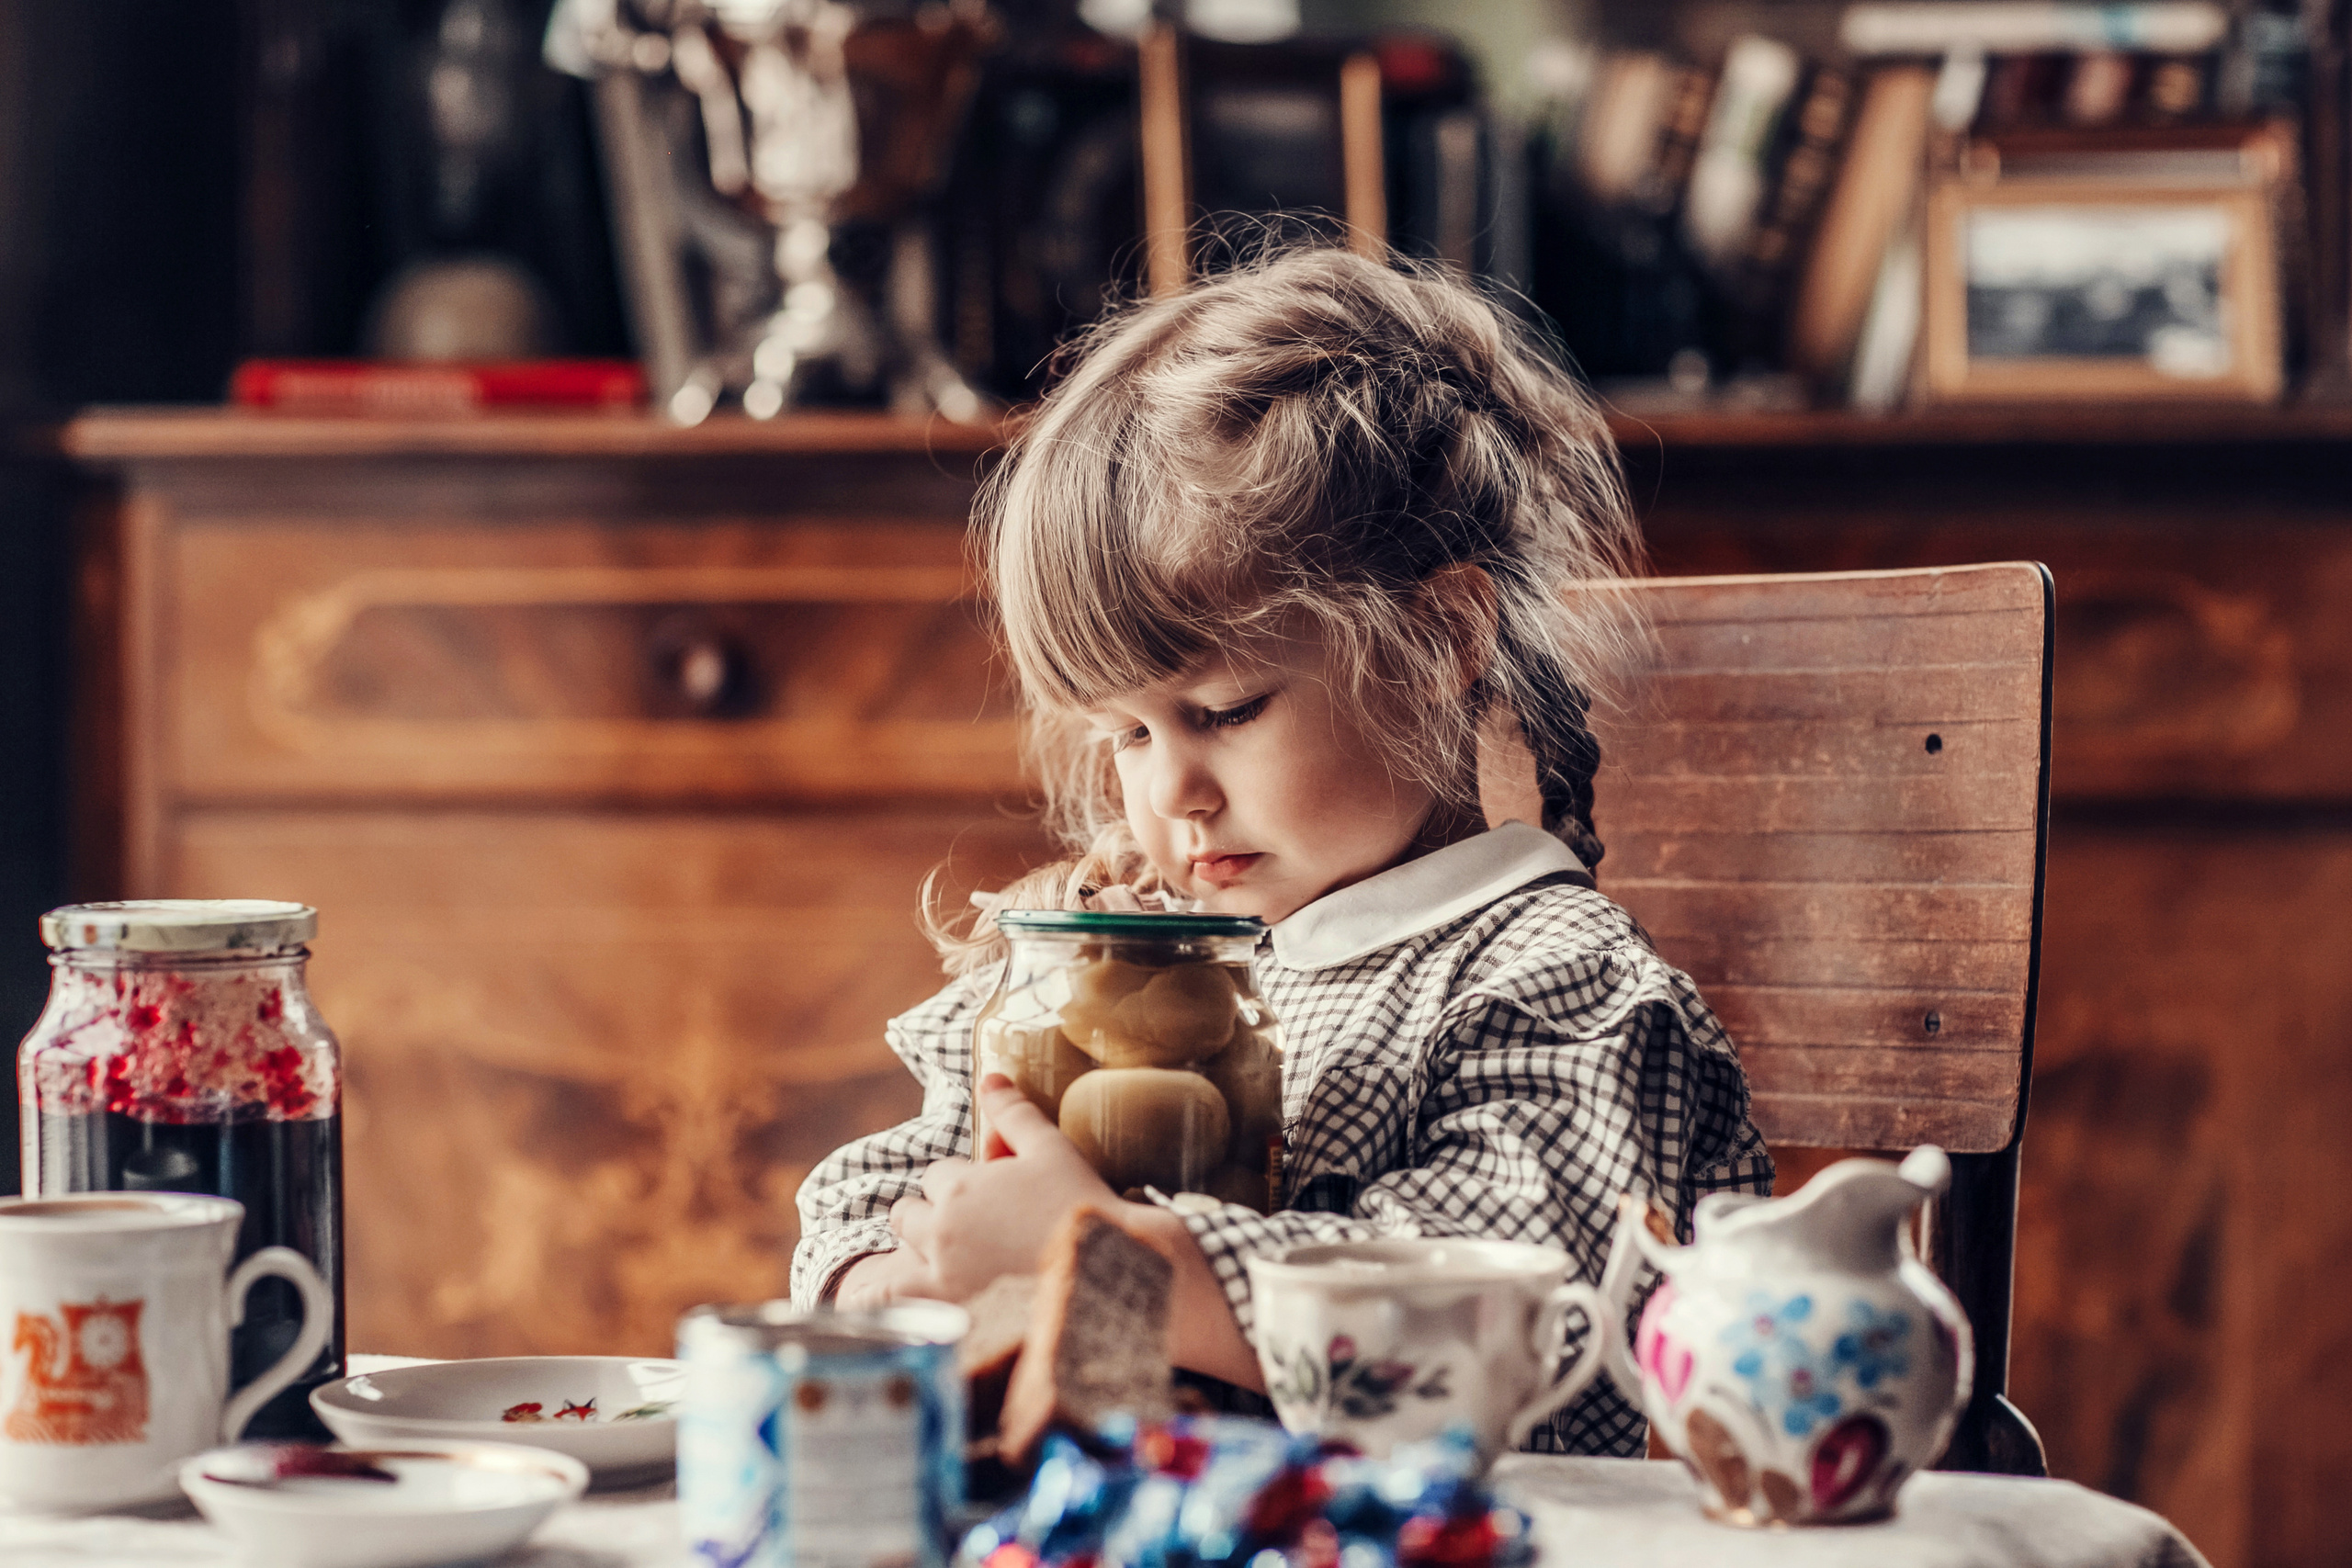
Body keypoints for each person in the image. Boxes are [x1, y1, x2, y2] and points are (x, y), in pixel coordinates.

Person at [789, 245, 1770, 1454]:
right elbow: (869, 1194)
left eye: (1229, 711)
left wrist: (1104, 1260)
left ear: (1442, 637)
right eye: (1128, 734)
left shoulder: (1550, 984)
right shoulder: (1118, 953)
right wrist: (889, 1281)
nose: (1174, 792)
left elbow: (1515, 1307)